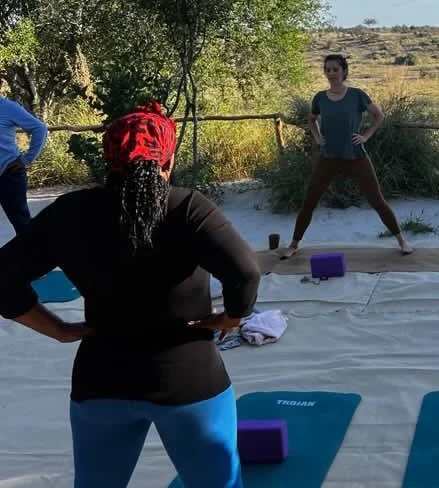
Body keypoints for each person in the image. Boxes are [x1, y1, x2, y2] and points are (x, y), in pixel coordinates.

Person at [0, 101, 261, 488]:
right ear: (168, 162)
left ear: (108, 161)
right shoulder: (187, 207)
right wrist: (233, 316)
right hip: (189, 380)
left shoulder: (71, 212)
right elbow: (245, 272)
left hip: (101, 381)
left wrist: (53, 327)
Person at [285, 54, 413, 256]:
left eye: (335, 69)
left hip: (355, 156)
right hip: (328, 157)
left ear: (344, 71)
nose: (331, 73)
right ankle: (293, 245)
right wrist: (317, 138)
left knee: (377, 199)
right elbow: (311, 120)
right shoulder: (320, 98)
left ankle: (402, 241)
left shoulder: (357, 95)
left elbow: (378, 116)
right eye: (327, 69)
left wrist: (365, 136)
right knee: (310, 200)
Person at [0, 95, 48, 236]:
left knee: (22, 224)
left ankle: (36, 256)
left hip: (9, 173)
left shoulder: (8, 107)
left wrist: (26, 159)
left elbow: (40, 129)